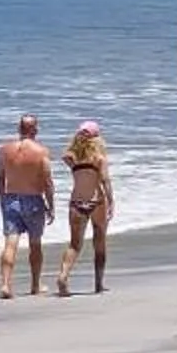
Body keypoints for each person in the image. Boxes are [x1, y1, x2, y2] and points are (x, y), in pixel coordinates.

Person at [0, 114, 56, 299]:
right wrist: (51, 205)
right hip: (33, 199)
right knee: (35, 244)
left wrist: (2, 198)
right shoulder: (41, 152)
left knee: (10, 243)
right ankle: (35, 285)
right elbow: (47, 182)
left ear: (19, 128)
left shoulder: (6, 150)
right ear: (35, 129)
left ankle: (5, 284)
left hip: (11, 198)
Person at [56, 122, 116, 296]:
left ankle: (63, 275)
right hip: (96, 202)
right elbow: (105, 181)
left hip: (76, 202)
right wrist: (111, 201)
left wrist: (77, 144)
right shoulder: (99, 159)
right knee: (99, 242)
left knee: (75, 244)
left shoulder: (71, 159)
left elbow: (66, 155)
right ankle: (98, 284)